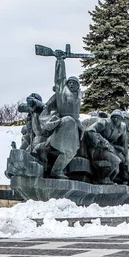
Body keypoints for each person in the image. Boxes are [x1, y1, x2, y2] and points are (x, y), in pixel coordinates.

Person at [37, 50, 84, 179]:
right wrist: (60, 61)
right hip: (65, 121)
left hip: (75, 124)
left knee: (71, 151)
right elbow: (60, 78)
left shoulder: (79, 95)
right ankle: (55, 170)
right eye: (70, 82)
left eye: (75, 83)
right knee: (66, 149)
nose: (72, 84)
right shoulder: (62, 91)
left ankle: (57, 169)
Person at [84, 109, 127, 184]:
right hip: (97, 148)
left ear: (122, 119)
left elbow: (123, 142)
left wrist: (124, 153)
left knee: (117, 167)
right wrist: (101, 141)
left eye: (118, 117)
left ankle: (108, 179)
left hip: (111, 149)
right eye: (114, 117)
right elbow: (90, 131)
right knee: (115, 161)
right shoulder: (104, 122)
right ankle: (100, 179)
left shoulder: (123, 127)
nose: (115, 119)